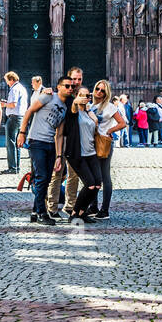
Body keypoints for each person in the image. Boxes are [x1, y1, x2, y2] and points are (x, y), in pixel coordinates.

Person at [17, 77, 72, 224]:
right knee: (41, 177)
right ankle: (42, 213)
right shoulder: (48, 96)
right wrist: (22, 133)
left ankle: (35, 211)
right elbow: (29, 111)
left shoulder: (65, 108)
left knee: (46, 179)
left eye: (71, 87)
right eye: (66, 86)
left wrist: (59, 155)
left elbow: (59, 134)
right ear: (58, 87)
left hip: (50, 144)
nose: (70, 89)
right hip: (36, 141)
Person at [62, 86, 103, 223]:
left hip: (91, 153)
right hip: (77, 154)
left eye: (87, 95)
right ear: (76, 96)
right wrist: (76, 101)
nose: (85, 98)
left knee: (97, 185)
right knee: (90, 185)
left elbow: (95, 130)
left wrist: (95, 119)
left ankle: (82, 212)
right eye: (81, 95)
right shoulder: (73, 112)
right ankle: (74, 213)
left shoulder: (89, 113)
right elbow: (73, 107)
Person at [46, 66, 82, 216]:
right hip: (60, 138)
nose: (76, 82)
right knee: (57, 173)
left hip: (75, 140)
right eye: (73, 79)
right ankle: (51, 207)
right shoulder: (60, 95)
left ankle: (70, 206)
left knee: (74, 175)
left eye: (79, 79)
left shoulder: (81, 96)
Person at [88, 79, 126, 219]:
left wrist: (110, 130)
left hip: (104, 144)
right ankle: (93, 207)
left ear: (106, 93)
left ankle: (104, 210)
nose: (98, 92)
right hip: (91, 144)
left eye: (102, 90)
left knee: (105, 176)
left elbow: (123, 123)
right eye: (97, 88)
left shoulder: (109, 107)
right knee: (93, 176)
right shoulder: (90, 105)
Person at [1, 71, 28, 174]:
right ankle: (16, 167)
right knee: (16, 143)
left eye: (7, 81)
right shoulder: (22, 88)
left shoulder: (14, 89)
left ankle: (12, 168)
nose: (7, 83)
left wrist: (3, 104)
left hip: (14, 117)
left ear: (11, 79)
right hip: (20, 117)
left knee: (10, 143)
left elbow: (13, 104)